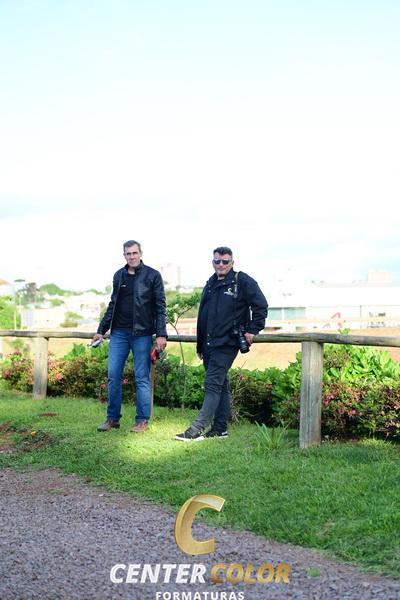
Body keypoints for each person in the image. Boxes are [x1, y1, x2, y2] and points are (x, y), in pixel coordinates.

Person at [175, 246, 268, 441]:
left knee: (212, 384)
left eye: (225, 261)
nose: (221, 265)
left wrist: (253, 329)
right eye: (217, 261)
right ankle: (220, 429)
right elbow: (203, 315)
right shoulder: (210, 283)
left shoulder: (242, 280)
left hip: (228, 342)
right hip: (209, 345)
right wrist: (200, 345)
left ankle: (196, 429)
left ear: (232, 263)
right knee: (221, 385)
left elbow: (261, 305)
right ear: (213, 263)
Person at [94, 240, 167, 433]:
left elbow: (160, 307)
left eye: (135, 253)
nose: (132, 256)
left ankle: (142, 421)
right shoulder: (119, 275)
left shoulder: (153, 275)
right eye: (128, 253)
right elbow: (113, 304)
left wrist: (161, 334)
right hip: (119, 333)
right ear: (124, 255)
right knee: (113, 375)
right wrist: (101, 329)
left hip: (142, 334)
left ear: (141, 253)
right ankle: (112, 419)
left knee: (142, 377)